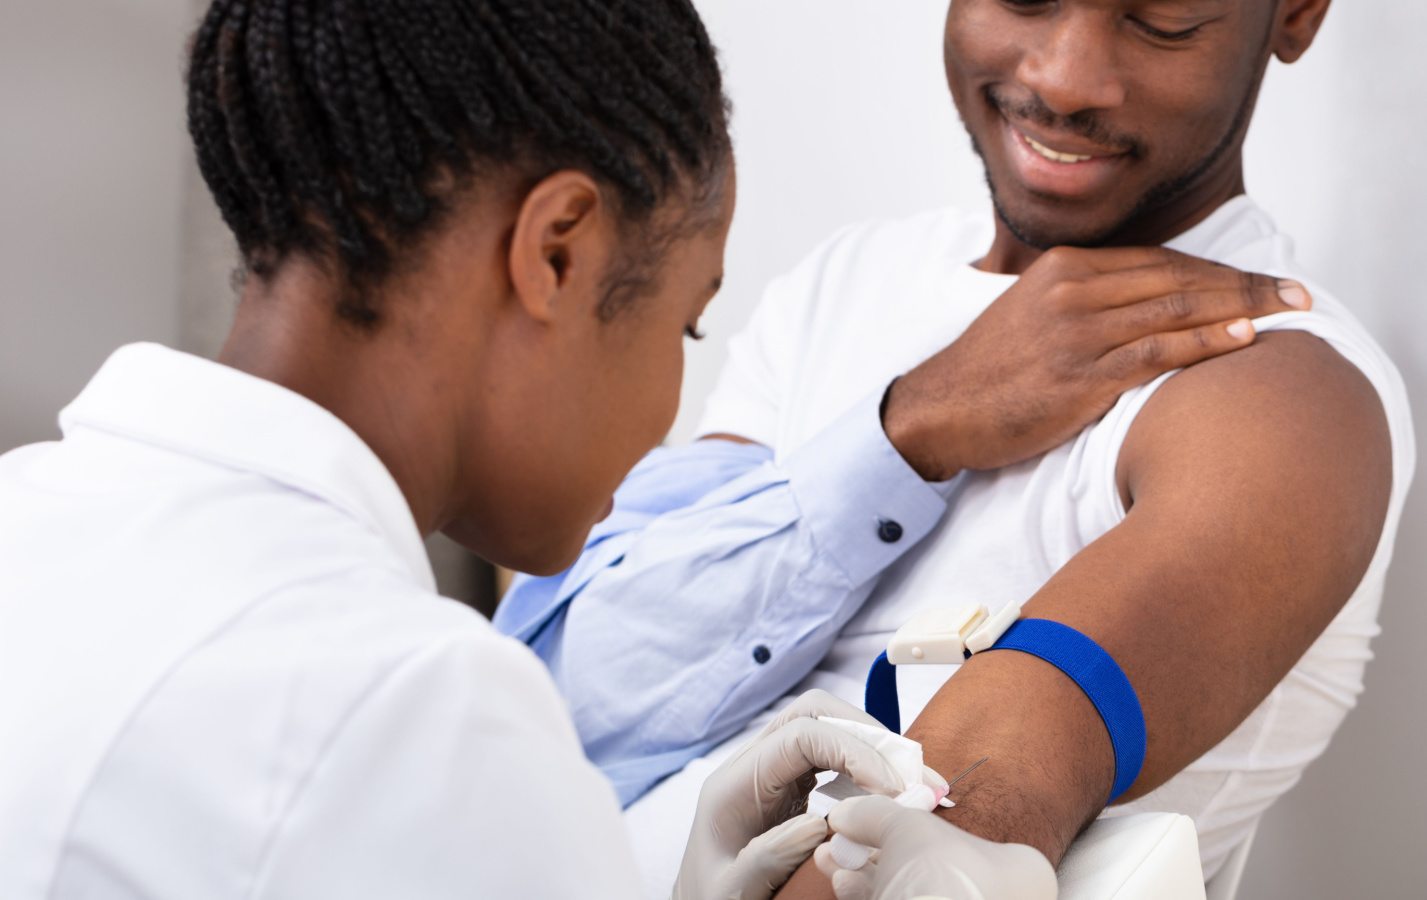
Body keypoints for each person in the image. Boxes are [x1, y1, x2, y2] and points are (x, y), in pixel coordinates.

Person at [0, 2, 1060, 898]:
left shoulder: (30, 512)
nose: (669, 408)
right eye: (686, 325)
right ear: (556, 252)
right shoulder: (417, 709)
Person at [492, 0, 1417, 896]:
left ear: (1296, 12)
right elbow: (551, 701)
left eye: (1158, 20)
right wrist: (911, 426)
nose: (1065, 79)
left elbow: (940, 833)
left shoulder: (1280, 395)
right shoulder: (842, 284)